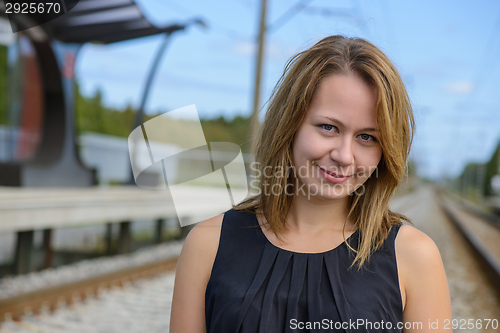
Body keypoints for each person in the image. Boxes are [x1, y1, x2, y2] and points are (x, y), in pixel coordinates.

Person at [170, 35, 451, 332]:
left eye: (367, 137)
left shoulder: (414, 257)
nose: (344, 156)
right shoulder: (207, 245)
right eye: (328, 127)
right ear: (289, 125)